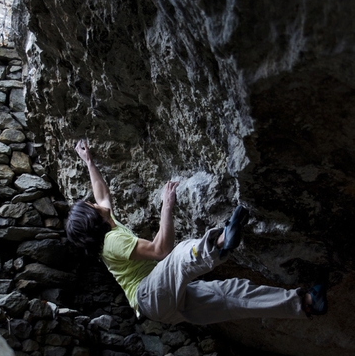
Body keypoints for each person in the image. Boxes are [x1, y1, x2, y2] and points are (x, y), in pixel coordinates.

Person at [66, 139, 328, 325]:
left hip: (167, 306)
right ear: (92, 218)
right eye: (90, 206)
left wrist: (89, 161)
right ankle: (221, 242)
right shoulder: (113, 241)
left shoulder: (107, 226)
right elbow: (161, 251)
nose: (94, 203)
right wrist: (167, 207)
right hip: (149, 295)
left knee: (233, 294)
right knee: (179, 255)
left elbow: (102, 194)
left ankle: (304, 302)